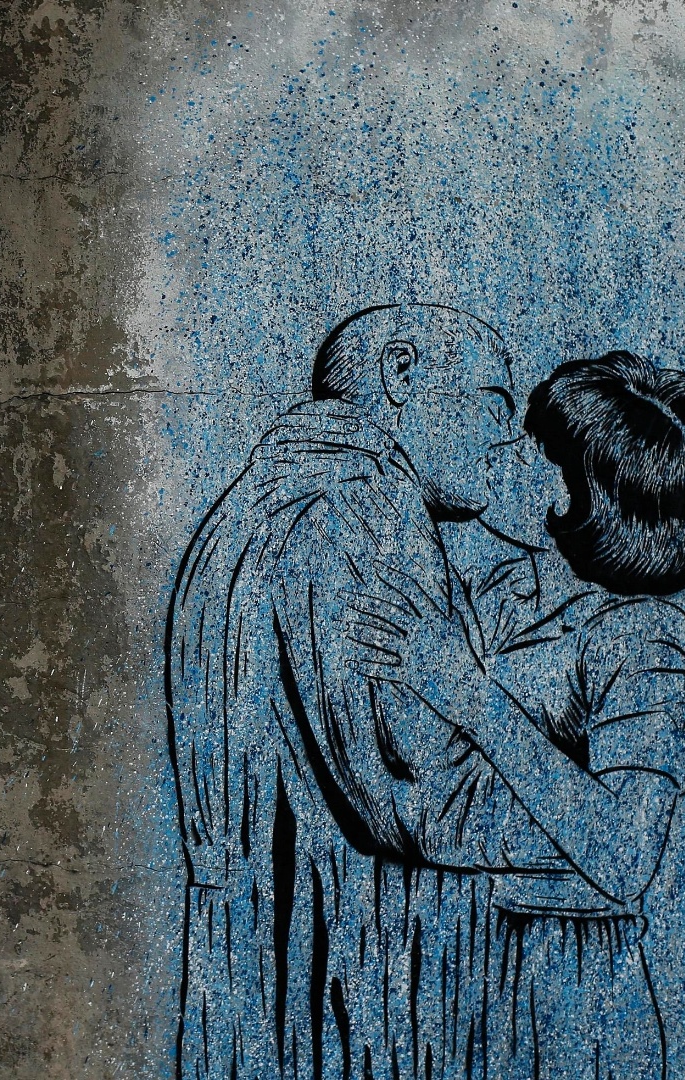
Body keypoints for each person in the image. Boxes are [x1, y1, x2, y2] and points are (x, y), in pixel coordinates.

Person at [167, 305, 557, 1080]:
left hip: (270, 979)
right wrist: (589, 814)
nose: (503, 438)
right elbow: (418, 784)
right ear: (401, 373)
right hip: (353, 993)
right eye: (490, 403)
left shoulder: (249, 507)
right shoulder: (361, 500)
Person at [342, 351, 685, 1079]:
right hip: (459, 961)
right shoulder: (502, 589)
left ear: (577, 498)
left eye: (535, 444)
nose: (503, 447)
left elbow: (624, 856)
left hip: (567, 981)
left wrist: (468, 694)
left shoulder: (644, 641)